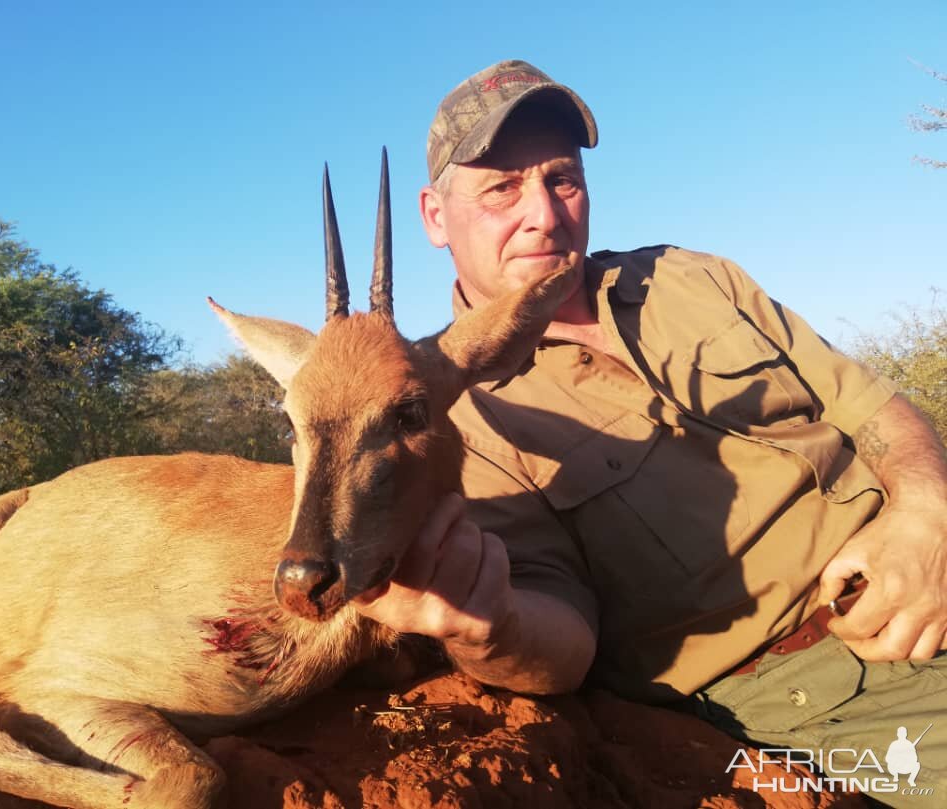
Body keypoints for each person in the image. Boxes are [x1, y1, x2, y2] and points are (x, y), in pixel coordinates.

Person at [356, 59, 947, 803]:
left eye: (561, 178)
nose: (543, 212)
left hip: (921, 553)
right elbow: (565, 636)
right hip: (831, 677)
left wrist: (926, 510)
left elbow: (869, 403)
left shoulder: (692, 278)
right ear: (434, 217)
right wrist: (488, 626)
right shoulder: (448, 414)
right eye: (502, 187)